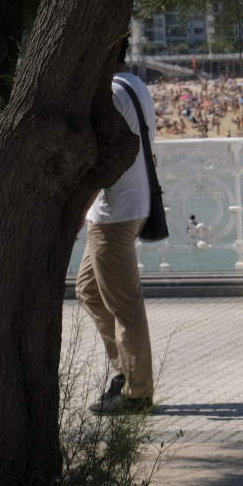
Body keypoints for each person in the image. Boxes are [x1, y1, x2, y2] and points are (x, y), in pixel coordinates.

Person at [76, 38, 157, 415]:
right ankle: (125, 370)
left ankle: (137, 392)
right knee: (89, 290)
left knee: (125, 304)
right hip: (131, 203)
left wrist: (81, 207)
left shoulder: (107, 93)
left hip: (114, 212)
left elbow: (98, 156)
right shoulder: (135, 84)